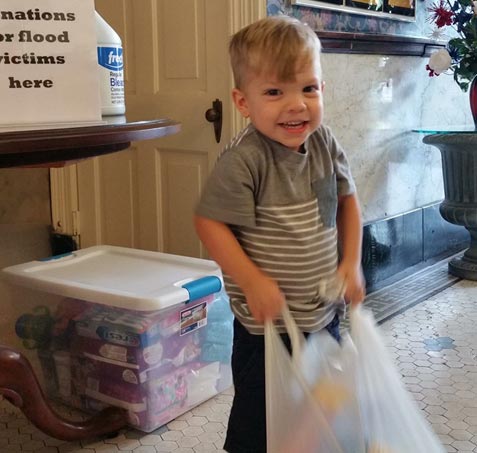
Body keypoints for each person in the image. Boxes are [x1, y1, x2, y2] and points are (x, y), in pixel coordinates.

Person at [194, 15, 365, 453]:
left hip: (323, 315)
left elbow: (347, 201)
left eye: (309, 88)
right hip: (266, 331)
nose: (297, 105)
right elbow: (209, 223)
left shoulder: (325, 142)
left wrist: (351, 263)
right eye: (275, 92)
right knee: (259, 424)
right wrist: (251, 281)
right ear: (243, 101)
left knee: (320, 413)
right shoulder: (244, 160)